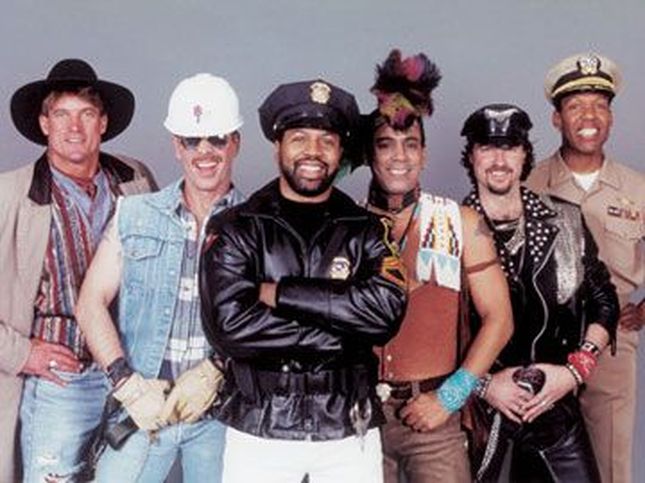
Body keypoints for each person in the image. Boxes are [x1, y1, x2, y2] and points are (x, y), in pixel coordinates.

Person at [199, 79, 407, 483]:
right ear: (277, 146)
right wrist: (347, 333)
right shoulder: (237, 227)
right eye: (299, 138)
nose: (313, 151)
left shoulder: (369, 229)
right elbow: (229, 329)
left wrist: (280, 293)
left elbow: (385, 316)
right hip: (260, 428)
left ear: (341, 151)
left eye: (326, 140)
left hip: (349, 430)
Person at [75, 73, 244, 482]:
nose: (204, 152)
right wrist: (127, 385)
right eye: (191, 140)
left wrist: (217, 370)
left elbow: (272, 317)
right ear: (176, 146)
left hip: (222, 414)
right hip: (143, 409)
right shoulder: (134, 214)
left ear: (235, 142)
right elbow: (90, 302)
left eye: (217, 139)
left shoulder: (258, 224)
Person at [0, 58, 156, 483]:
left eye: (86, 114)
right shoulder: (10, 195)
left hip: (130, 373)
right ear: (44, 124)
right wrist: (22, 353)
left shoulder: (135, 180)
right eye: (61, 114)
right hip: (60, 382)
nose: (74, 127)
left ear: (103, 123)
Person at [360, 49, 513, 483]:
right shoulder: (346, 224)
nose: (399, 156)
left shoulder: (461, 222)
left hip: (434, 413)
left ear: (424, 154)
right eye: (386, 144)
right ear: (369, 154)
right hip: (359, 417)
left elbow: (500, 319)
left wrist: (449, 398)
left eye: (411, 145)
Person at [461, 103, 619, 482]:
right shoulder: (448, 227)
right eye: (487, 147)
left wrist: (574, 371)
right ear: (471, 156)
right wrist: (483, 385)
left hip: (554, 405)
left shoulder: (566, 219)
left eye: (510, 147)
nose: (499, 160)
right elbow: (428, 328)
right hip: (480, 412)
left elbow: (604, 301)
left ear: (525, 155)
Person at [525, 52, 645, 483]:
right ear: (557, 118)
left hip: (611, 343)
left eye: (599, 105)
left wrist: (642, 311)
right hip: (541, 339)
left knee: (610, 464)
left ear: (611, 117)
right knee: (537, 463)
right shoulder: (529, 183)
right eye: (575, 106)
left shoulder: (637, 188)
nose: (589, 116)